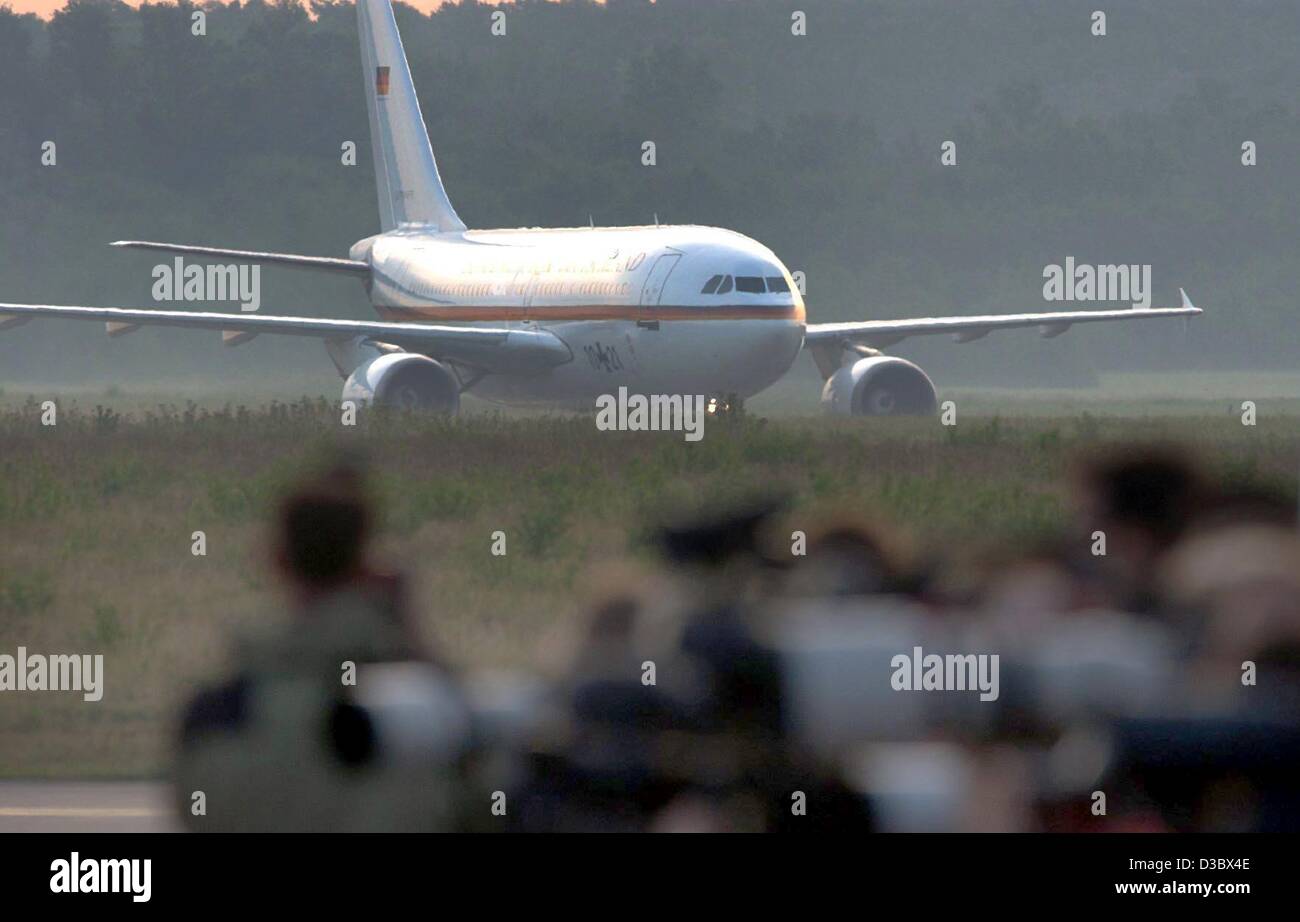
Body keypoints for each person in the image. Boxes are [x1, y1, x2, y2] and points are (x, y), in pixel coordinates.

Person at [173, 464, 472, 831]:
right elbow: (478, 773)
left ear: (277, 561)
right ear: (367, 566)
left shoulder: (219, 715)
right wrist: (412, 641)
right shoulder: (414, 711)